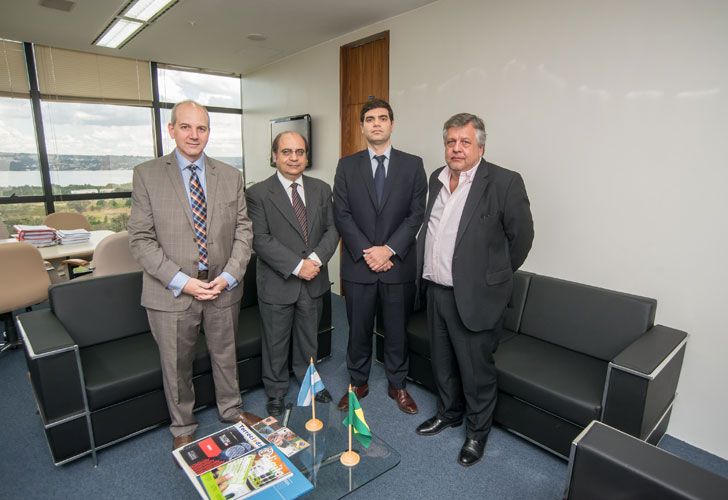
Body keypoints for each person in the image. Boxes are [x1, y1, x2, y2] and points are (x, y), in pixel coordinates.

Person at [128, 99, 257, 451]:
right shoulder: (147, 175)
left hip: (221, 287)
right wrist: (184, 281)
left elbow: (244, 231)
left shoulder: (230, 176)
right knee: (176, 364)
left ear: (209, 133)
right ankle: (183, 425)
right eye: (185, 126)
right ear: (171, 130)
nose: (194, 134)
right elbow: (140, 239)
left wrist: (230, 275)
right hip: (172, 291)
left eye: (201, 128)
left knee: (225, 353)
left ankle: (231, 410)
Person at [415, 113, 534, 466]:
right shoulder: (436, 181)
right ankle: (448, 412)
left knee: (476, 372)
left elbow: (521, 240)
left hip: (476, 297)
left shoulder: (504, 182)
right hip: (436, 290)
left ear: (480, 145)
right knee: (443, 362)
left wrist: (490, 278)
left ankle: (476, 433)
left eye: (465, 142)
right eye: (451, 141)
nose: (457, 148)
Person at [333, 98, 427, 414]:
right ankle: (357, 383)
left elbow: (416, 214)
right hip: (359, 266)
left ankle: (397, 385)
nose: (376, 123)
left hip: (397, 265)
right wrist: (369, 253)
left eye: (382, 118)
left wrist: (388, 250)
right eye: (370, 119)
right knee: (357, 329)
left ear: (391, 124)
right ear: (362, 127)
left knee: (397, 330)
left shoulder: (413, 164)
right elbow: (342, 214)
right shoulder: (346, 165)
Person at [245, 131, 339, 417]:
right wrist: (298, 266)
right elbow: (260, 239)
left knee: (309, 337)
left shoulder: (322, 189)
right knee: (275, 341)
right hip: (278, 281)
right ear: (275, 156)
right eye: (286, 152)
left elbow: (332, 230)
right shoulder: (258, 193)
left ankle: (308, 380)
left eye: (299, 152)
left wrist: (315, 260)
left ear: (306, 157)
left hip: (314, 278)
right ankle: (275, 392)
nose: (294, 157)